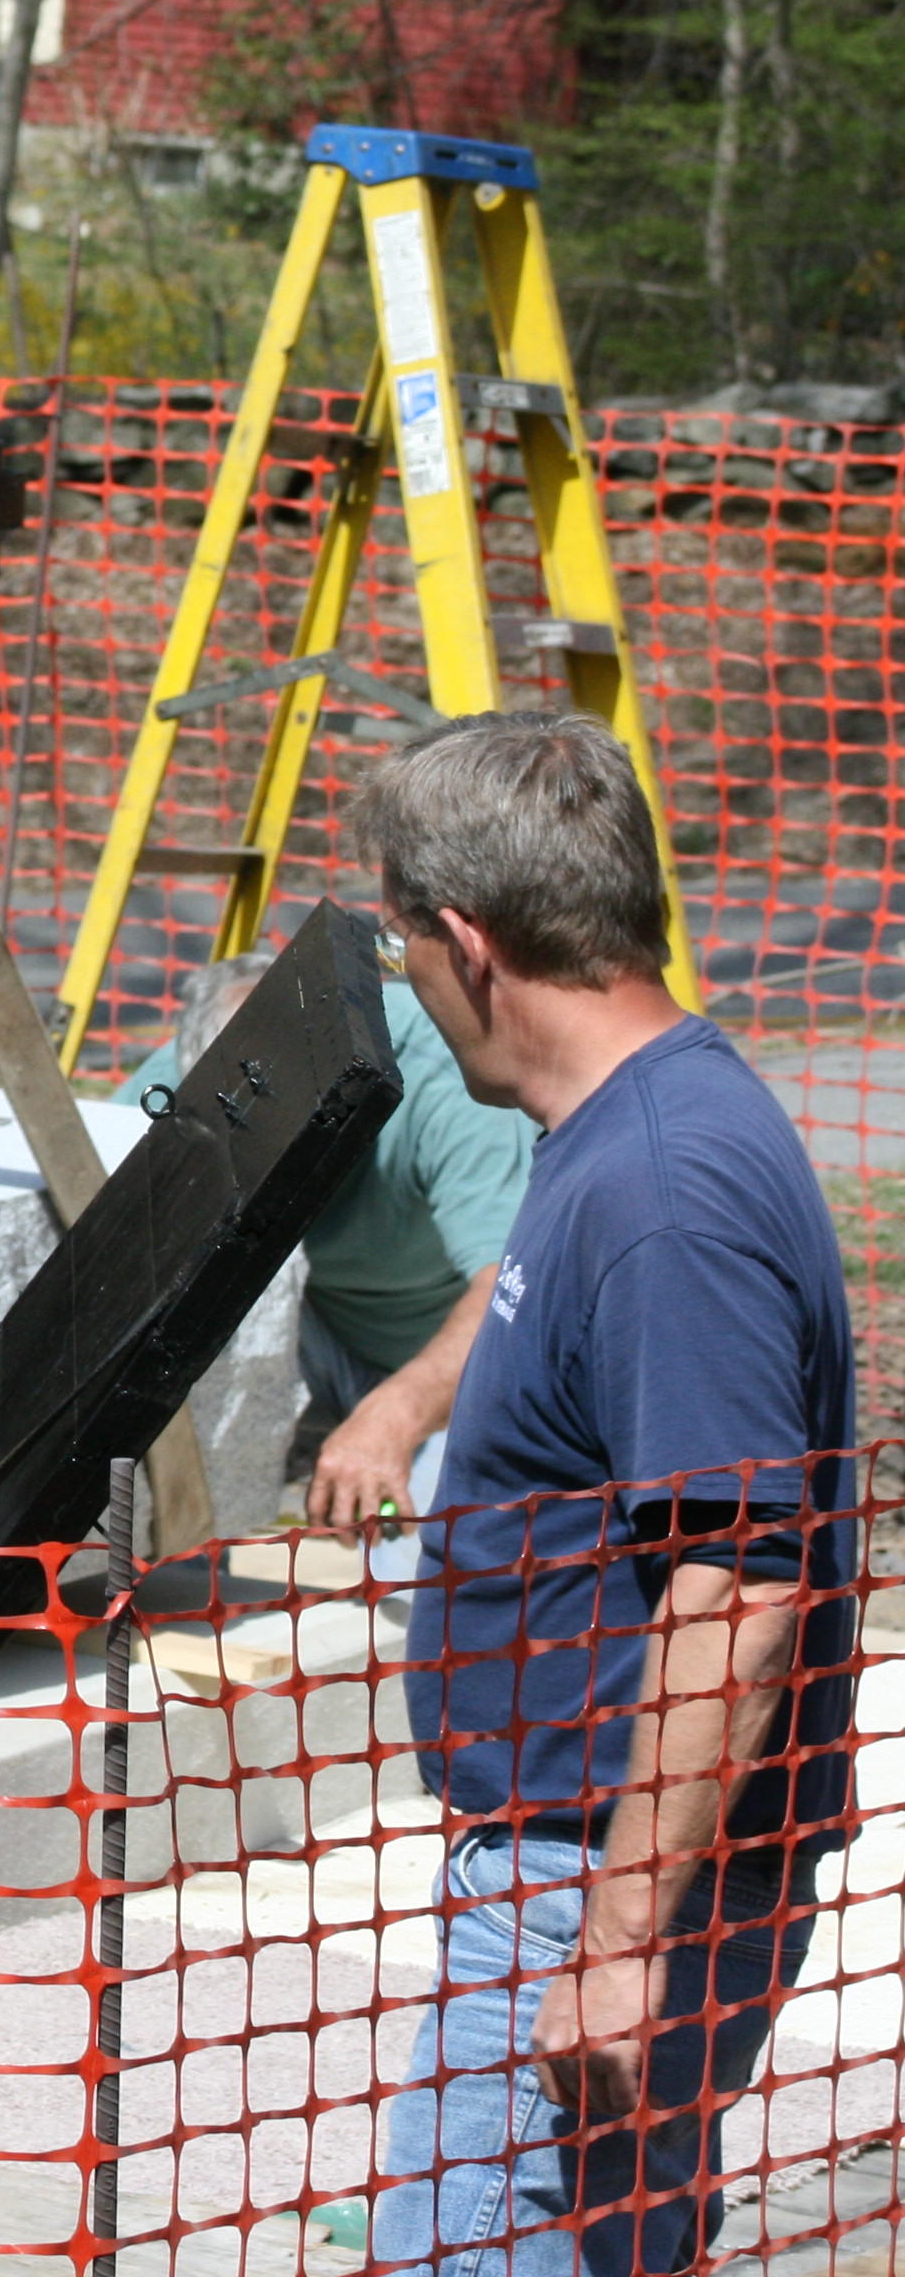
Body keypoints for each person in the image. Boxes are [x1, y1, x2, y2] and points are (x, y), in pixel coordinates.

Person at [351, 714, 857, 2277]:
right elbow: (554, 1297)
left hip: (603, 1879)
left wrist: (622, 1944)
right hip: (595, 1865)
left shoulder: (663, 1195)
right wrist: (413, 1394)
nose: (404, 981)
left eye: (397, 943)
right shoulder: (623, 1128)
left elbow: (739, 1583)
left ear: (466, 944)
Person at [119, 949, 535, 1535]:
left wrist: (394, 1417)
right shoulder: (200, 1073)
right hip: (315, 1320)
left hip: (460, 1368)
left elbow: (515, 1298)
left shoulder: (444, 1087)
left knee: (430, 1568)